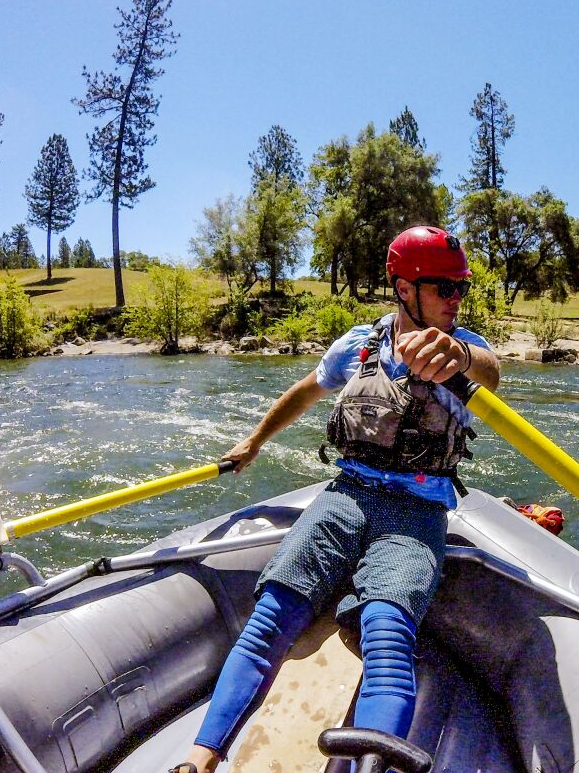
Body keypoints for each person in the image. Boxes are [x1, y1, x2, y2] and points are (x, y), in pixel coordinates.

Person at [169, 226, 500, 773]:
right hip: (345, 496)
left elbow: (492, 373)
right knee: (271, 615)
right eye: (443, 287)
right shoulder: (358, 346)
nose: (455, 299)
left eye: (460, 288)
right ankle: (201, 759)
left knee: (389, 636)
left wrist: (458, 354)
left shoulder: (466, 351)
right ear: (403, 288)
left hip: (416, 513)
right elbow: (305, 389)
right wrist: (253, 442)